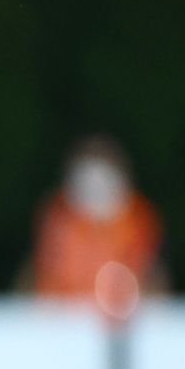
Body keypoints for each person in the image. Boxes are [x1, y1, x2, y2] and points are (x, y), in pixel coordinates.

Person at [18, 134, 166, 321]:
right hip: (61, 321)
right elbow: (38, 272)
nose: (96, 189)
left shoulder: (139, 220)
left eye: (103, 181)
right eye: (88, 181)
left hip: (118, 323)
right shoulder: (57, 218)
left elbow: (151, 277)